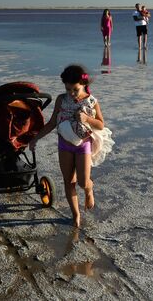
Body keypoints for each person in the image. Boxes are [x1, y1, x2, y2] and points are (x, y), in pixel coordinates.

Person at [29, 64, 113, 228]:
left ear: (83, 84)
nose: (71, 93)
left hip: (82, 146)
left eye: (75, 89)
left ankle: (89, 189)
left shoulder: (91, 101)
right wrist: (36, 138)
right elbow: (53, 122)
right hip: (64, 145)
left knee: (82, 181)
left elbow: (101, 125)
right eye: (68, 89)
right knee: (69, 181)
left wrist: (87, 119)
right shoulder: (61, 99)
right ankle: (76, 216)